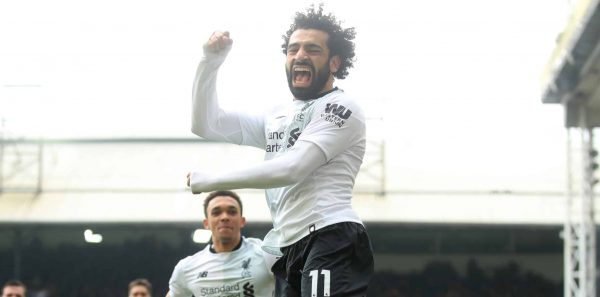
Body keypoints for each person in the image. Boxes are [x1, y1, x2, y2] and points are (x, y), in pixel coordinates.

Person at [186, 4, 374, 297]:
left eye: (312, 49)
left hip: (330, 235)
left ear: (334, 62)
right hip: (289, 247)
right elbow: (206, 124)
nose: (299, 55)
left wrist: (213, 181)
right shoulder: (278, 115)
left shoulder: (341, 108)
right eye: (292, 49)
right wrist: (209, 62)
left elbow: (293, 168)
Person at [167, 190, 275, 297]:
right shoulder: (187, 267)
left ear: (242, 221)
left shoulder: (265, 254)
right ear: (206, 223)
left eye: (232, 212)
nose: (224, 217)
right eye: (216, 212)